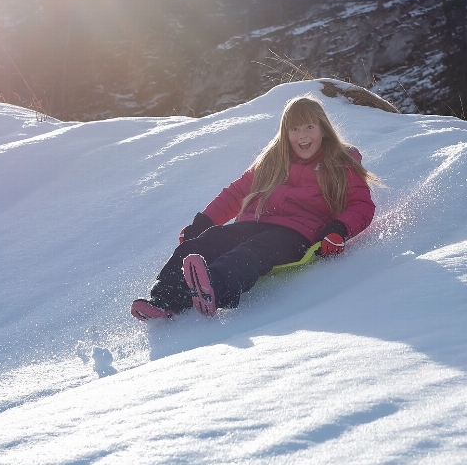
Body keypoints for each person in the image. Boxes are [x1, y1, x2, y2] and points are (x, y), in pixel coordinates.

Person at [131, 95, 379, 320]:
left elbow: (361, 205)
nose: (302, 135)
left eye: (309, 127)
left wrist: (339, 229)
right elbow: (237, 192)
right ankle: (163, 299)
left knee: (252, 252)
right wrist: (204, 221)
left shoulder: (340, 163)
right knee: (204, 242)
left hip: (296, 232)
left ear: (323, 130)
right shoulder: (274, 160)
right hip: (253, 221)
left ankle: (214, 288)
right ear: (286, 133)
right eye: (294, 129)